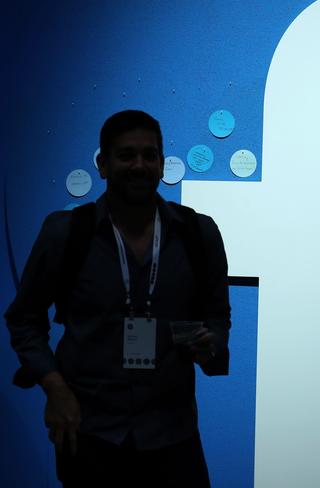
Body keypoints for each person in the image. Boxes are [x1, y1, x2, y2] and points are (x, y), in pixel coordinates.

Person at [5, 110, 231, 487]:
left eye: (149, 155)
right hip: (89, 432)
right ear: (103, 165)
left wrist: (212, 343)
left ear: (161, 163)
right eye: (126, 155)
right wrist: (55, 388)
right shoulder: (66, 234)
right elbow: (24, 319)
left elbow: (218, 314)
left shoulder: (198, 233)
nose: (138, 165)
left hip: (173, 435)